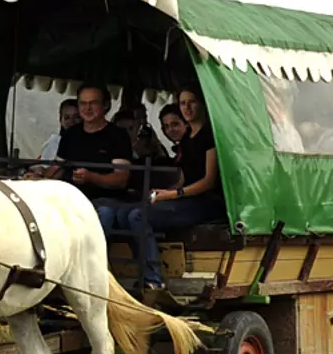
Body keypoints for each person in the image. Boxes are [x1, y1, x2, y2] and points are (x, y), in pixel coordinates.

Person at [121, 87, 223, 292]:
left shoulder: (210, 136)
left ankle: (154, 279)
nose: (187, 107)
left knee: (138, 217)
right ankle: (141, 270)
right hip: (187, 198)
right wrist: (164, 193)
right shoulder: (187, 139)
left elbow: (208, 180)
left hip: (207, 202)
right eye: (183, 103)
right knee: (124, 214)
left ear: (202, 104)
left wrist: (174, 194)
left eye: (191, 102)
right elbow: (185, 178)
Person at [59, 84, 135, 232]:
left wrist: (91, 177)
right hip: (71, 199)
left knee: (105, 214)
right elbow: (57, 168)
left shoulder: (118, 136)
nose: (87, 108)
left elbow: (121, 179)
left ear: (105, 105)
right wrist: (37, 176)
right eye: (83, 103)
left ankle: (96, 255)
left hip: (106, 201)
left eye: (93, 103)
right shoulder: (70, 135)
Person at [27, 98, 80, 177]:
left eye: (76, 117)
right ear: (60, 120)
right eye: (67, 118)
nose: (71, 122)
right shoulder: (54, 142)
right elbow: (43, 167)